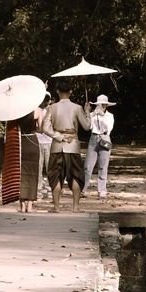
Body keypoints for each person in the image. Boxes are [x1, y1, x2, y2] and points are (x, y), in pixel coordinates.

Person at [42, 79, 91, 212]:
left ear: (57, 91)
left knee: (55, 175)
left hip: (57, 146)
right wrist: (87, 112)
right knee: (76, 175)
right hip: (73, 145)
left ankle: (56, 207)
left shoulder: (52, 108)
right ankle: (75, 207)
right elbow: (87, 126)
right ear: (71, 91)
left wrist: (59, 136)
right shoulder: (77, 108)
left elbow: (45, 128)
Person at [1, 106, 41, 212]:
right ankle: (30, 206)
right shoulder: (38, 110)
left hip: (19, 143)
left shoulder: (16, 110)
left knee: (20, 173)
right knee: (33, 173)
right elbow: (41, 128)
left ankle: (22, 206)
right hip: (32, 141)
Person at [82, 93, 116, 198]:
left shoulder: (109, 116)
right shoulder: (93, 114)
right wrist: (89, 113)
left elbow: (108, 128)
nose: (102, 107)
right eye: (100, 105)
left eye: (104, 105)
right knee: (88, 166)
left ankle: (101, 189)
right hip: (93, 138)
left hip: (104, 138)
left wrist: (102, 116)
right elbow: (88, 126)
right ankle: (82, 189)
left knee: (103, 165)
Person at [35, 91, 53, 196]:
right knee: (38, 166)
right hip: (38, 140)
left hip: (49, 140)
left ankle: (49, 187)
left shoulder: (51, 110)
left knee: (49, 165)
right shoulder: (36, 110)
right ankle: (38, 188)